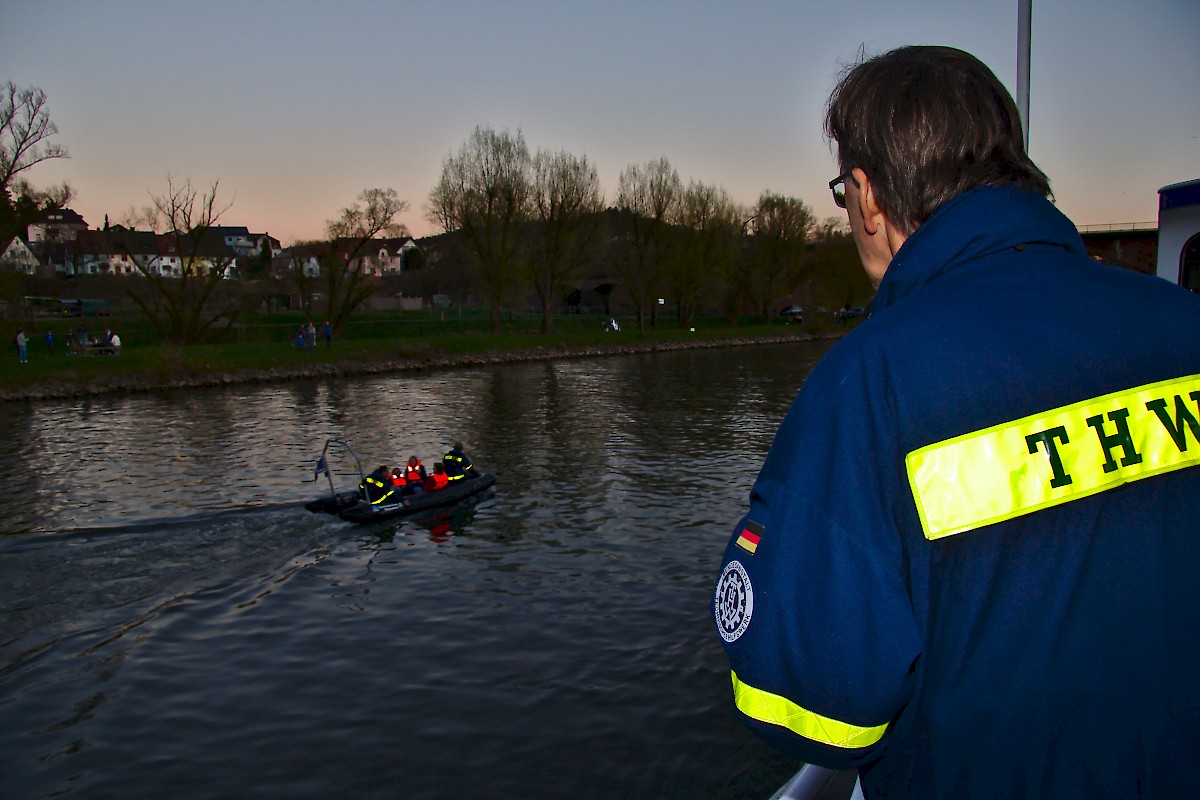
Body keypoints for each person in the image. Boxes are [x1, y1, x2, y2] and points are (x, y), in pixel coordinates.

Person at [713, 45, 1200, 800]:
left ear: (869, 197)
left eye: (844, 191)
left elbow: (810, 703)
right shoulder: (1184, 321)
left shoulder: (871, 381)